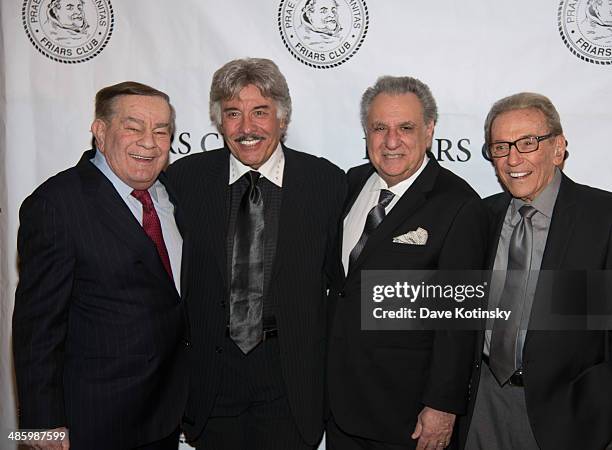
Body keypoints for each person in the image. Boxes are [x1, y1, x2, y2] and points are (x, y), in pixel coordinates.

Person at [166, 57, 346, 450]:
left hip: (290, 380)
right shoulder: (184, 180)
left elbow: (341, 283)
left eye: (260, 112)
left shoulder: (327, 183)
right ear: (219, 122)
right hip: (212, 379)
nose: (247, 128)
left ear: (283, 118)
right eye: (233, 113)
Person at [13, 81, 188, 450]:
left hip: (165, 417)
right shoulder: (57, 205)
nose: (149, 141)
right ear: (100, 131)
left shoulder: (171, 195)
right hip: (92, 422)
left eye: (161, 131)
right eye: (133, 126)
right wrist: (41, 424)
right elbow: (37, 327)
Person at [326, 76, 487, 450]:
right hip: (339, 407)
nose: (391, 141)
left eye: (406, 128)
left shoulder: (459, 205)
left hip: (407, 418)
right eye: (379, 128)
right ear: (366, 133)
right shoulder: (351, 184)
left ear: (430, 131)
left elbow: (459, 320)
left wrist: (442, 407)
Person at [462, 92, 612, 450]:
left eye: (528, 143)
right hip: (481, 406)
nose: (513, 158)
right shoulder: (480, 217)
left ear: (558, 148)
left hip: (571, 416)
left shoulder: (603, 219)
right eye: (500, 147)